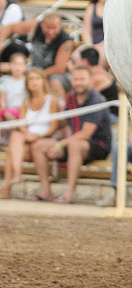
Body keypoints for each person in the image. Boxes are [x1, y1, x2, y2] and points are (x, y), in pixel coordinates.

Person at [33, 64, 112, 203]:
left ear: (90, 80)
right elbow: (62, 122)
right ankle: (45, 190)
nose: (78, 83)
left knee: (75, 145)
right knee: (39, 145)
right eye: (75, 79)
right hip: (73, 142)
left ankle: (69, 194)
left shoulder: (96, 100)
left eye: (82, 79)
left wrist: (59, 145)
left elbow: (86, 134)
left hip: (98, 146)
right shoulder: (70, 98)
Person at [1, 70, 59, 199]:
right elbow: (22, 124)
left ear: (43, 81)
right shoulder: (26, 101)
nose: (34, 82)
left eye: (37, 78)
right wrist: (28, 134)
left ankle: (8, 187)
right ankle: (16, 177)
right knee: (15, 140)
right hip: (30, 138)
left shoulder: (52, 100)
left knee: (15, 147)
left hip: (46, 139)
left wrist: (38, 136)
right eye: (31, 79)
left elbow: (53, 127)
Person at [81, 0, 114, 68]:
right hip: (91, 43)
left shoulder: (114, 8)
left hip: (107, 45)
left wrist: (99, 46)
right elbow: (86, 30)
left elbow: (113, 33)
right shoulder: (91, 8)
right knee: (76, 56)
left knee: (98, 57)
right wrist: (89, 45)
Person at [0, 51, 27, 123]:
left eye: (20, 64)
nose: (17, 67)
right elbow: (3, 97)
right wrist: (4, 107)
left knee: (8, 114)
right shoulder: (6, 80)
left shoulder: (26, 81)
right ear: (10, 66)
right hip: (7, 109)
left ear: (25, 67)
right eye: (15, 64)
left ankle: (14, 132)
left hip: (21, 110)